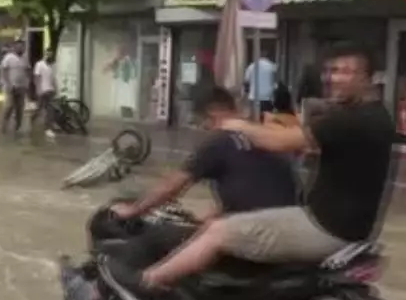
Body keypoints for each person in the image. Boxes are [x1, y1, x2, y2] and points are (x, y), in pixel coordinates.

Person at [138, 41, 397, 290]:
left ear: (369, 78)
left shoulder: (350, 120)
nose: (333, 78)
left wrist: (235, 124)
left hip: (324, 229)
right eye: (331, 71)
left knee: (217, 232)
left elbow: (279, 142)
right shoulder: (377, 115)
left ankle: (147, 282)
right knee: (214, 224)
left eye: (345, 72)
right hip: (344, 226)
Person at [107, 87, 299, 269]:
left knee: (151, 240)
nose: (203, 129)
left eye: (203, 123)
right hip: (285, 233)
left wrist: (133, 210)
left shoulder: (218, 141)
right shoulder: (264, 135)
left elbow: (171, 187)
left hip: (252, 236)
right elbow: (254, 186)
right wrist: (211, 216)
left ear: (213, 113)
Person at [0, 40, 31, 135]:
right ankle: (4, 127)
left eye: (23, 47)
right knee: (9, 107)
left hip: (22, 87)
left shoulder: (25, 58)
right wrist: (7, 83)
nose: (21, 48)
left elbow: (28, 70)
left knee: (20, 109)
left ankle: (17, 128)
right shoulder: (8, 57)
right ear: (15, 47)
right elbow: (4, 71)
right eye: (19, 46)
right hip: (11, 87)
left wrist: (28, 83)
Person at [244, 48, 277, 120]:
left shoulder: (251, 66)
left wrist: (246, 94)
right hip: (267, 98)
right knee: (267, 120)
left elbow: (246, 82)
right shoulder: (272, 66)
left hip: (254, 97)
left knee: (254, 119)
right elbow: (276, 82)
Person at [31, 49, 57, 128]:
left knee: (50, 109)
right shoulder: (39, 64)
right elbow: (36, 77)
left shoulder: (52, 66)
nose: (49, 56)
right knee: (40, 108)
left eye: (51, 54)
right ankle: (33, 119)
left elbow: (53, 78)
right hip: (42, 90)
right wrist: (38, 89)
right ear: (45, 54)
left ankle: (48, 125)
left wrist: (56, 87)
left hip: (50, 90)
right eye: (48, 54)